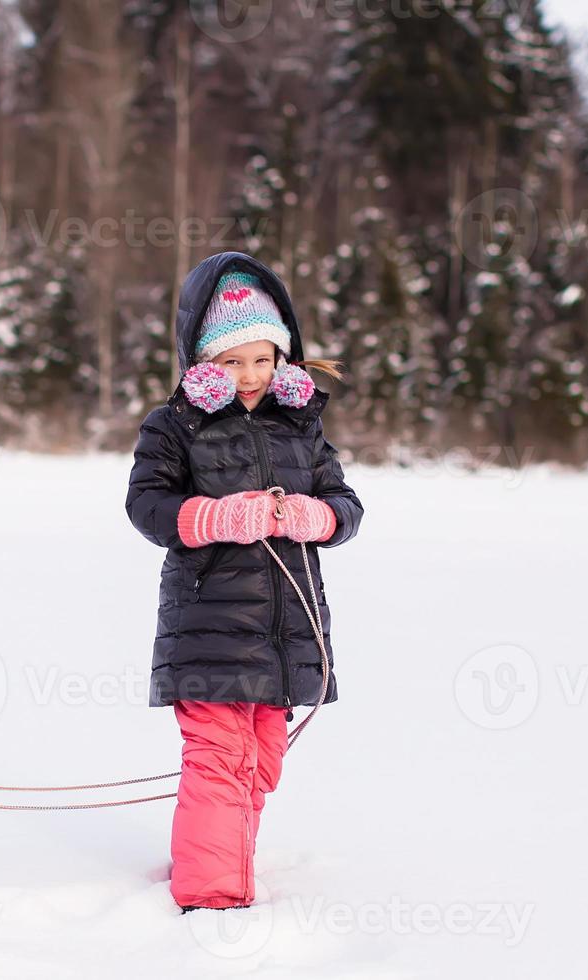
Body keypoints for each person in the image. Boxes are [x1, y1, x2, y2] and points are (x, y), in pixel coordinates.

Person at [123, 251, 365, 912]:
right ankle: (211, 897)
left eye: (263, 360)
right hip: (209, 627)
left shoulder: (300, 426)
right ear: (202, 365)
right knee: (218, 759)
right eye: (232, 363)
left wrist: (315, 516)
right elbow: (146, 506)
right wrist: (215, 516)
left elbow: (346, 508)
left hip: (285, 627)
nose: (251, 377)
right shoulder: (175, 425)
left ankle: (224, 860)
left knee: (260, 760)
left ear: (283, 357)